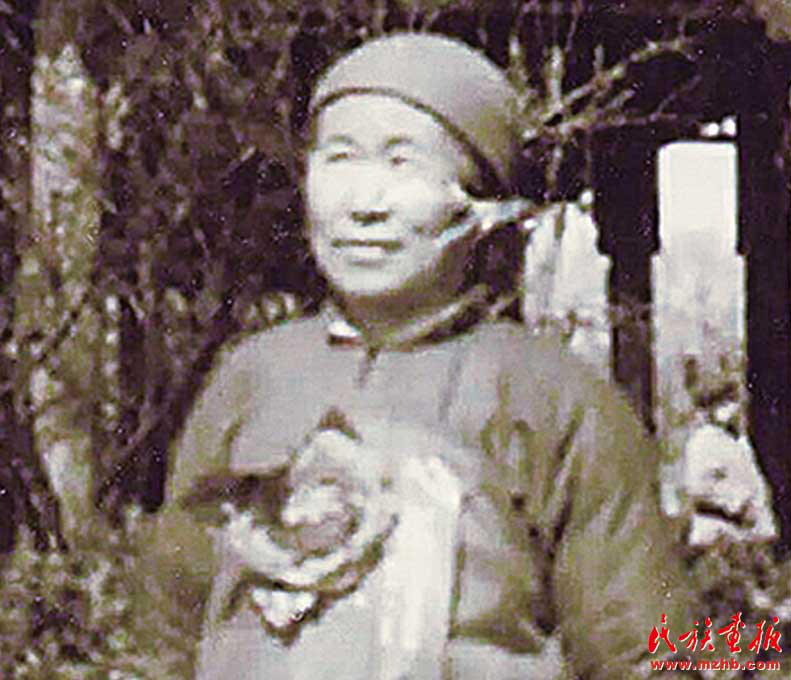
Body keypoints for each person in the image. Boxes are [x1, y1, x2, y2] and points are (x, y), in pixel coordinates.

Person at [139, 32, 701, 679]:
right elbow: (167, 627)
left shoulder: (556, 400)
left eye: (401, 163)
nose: (364, 204)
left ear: (479, 204)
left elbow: (649, 652)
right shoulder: (251, 378)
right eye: (340, 159)